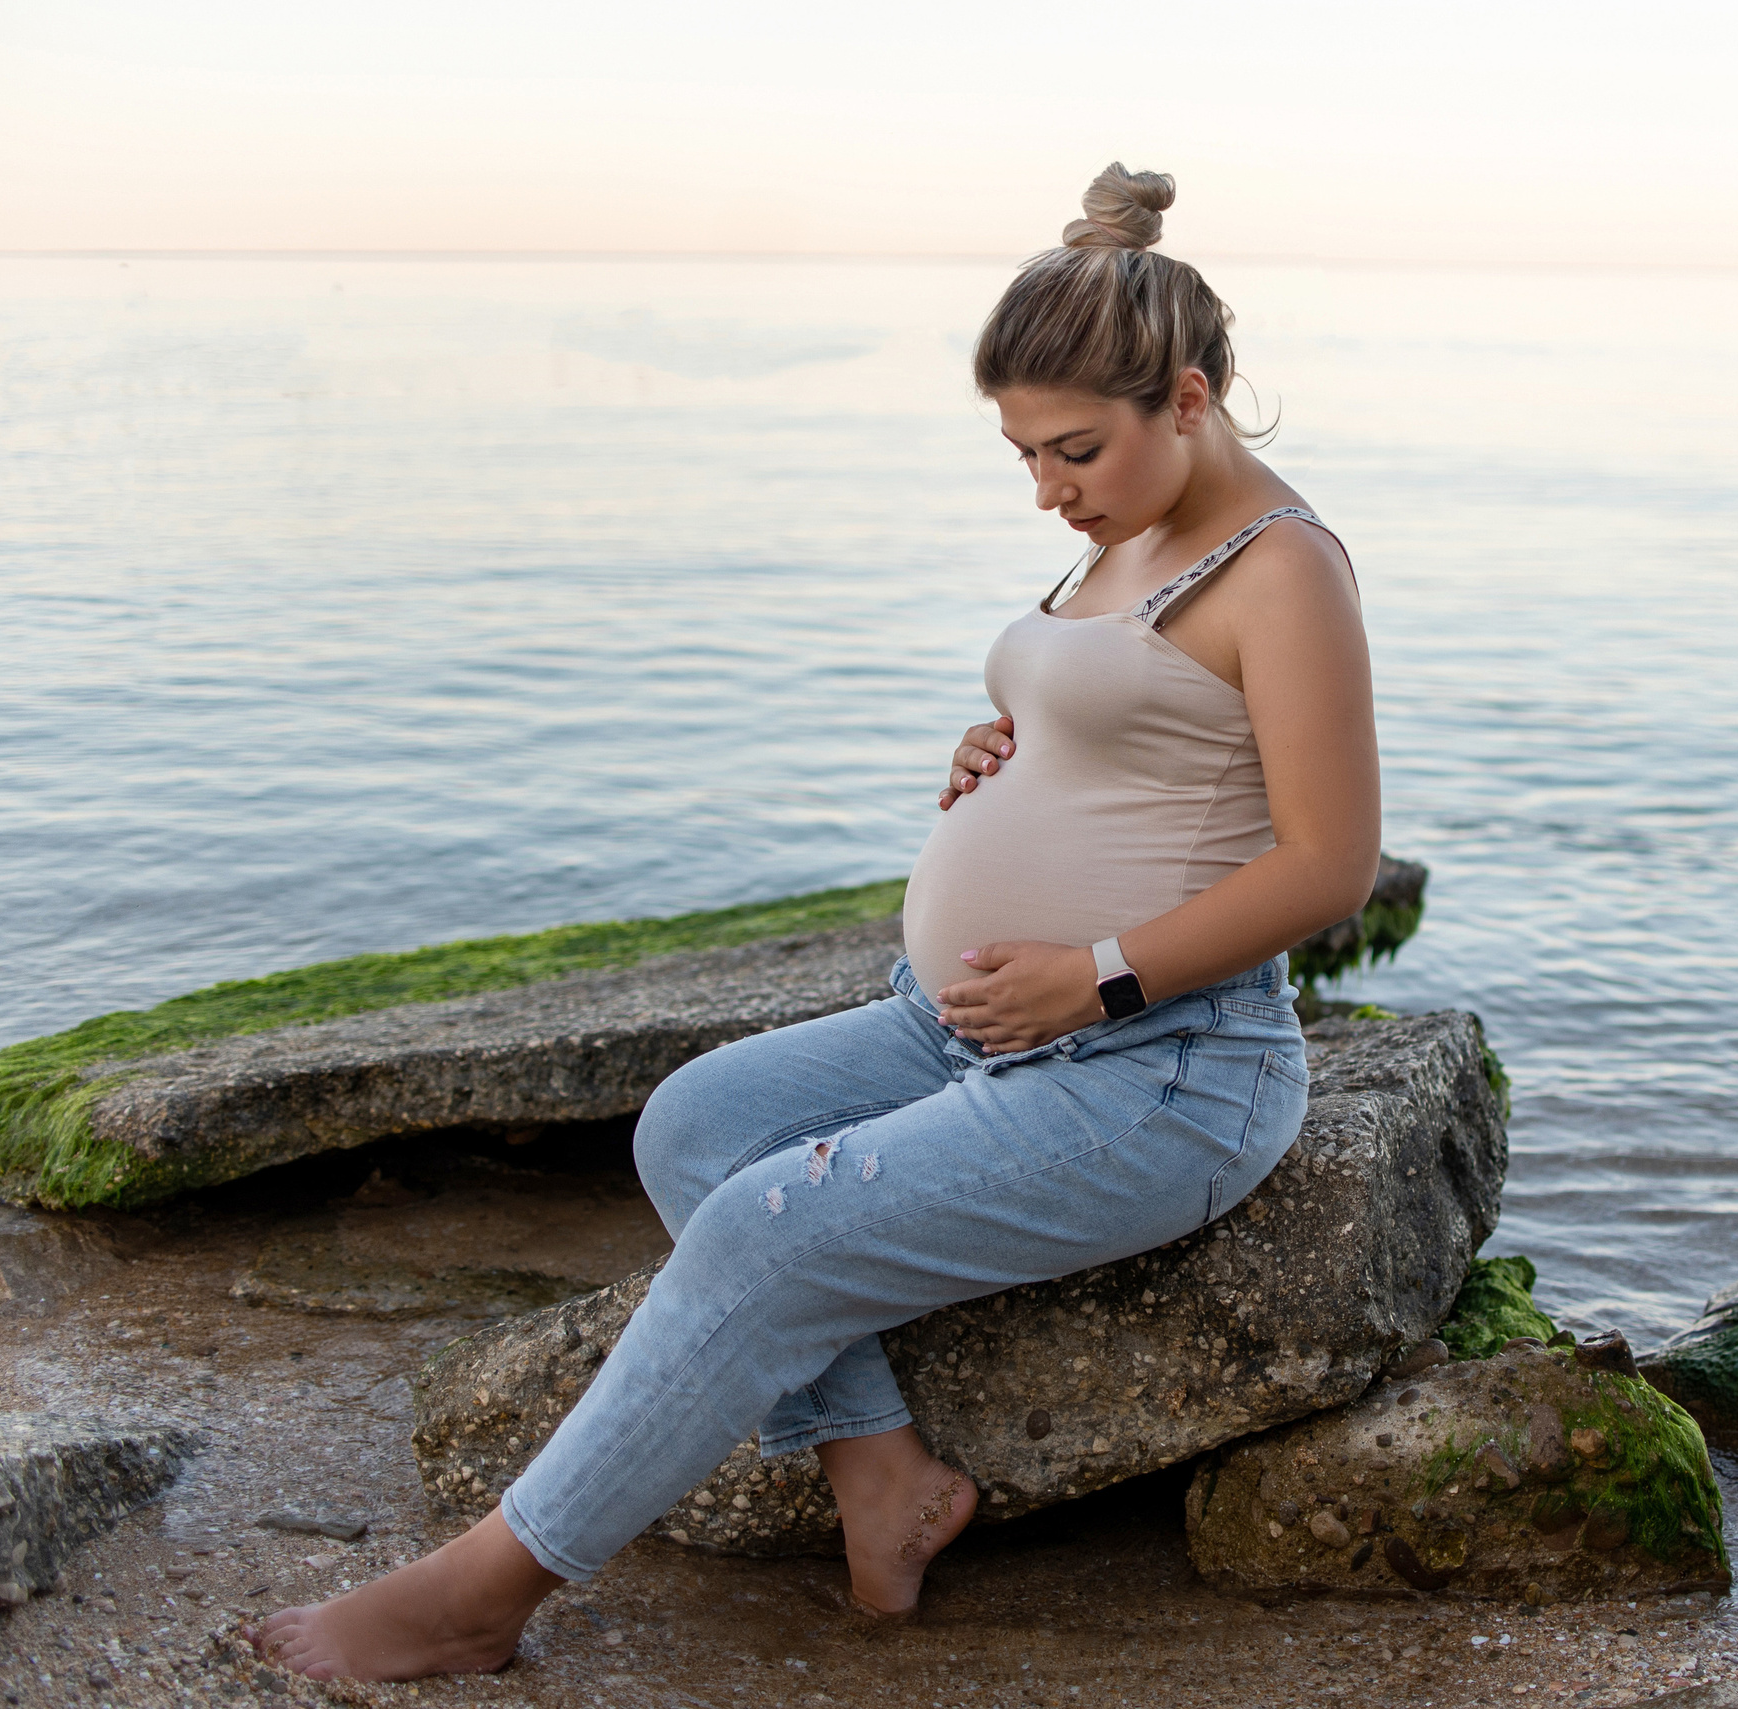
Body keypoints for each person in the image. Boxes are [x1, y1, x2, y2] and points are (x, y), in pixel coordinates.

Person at [248, 162, 1380, 1681]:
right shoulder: (1126, 529)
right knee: (693, 1126)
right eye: (1023, 453)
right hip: (968, 1021)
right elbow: (1131, 714)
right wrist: (1010, 740)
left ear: (1186, 396)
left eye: (1073, 449)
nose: (1046, 485)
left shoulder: (1286, 568)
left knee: (772, 1232)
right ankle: (883, 1474)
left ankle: (481, 1589)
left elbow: (1329, 865)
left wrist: (1095, 978)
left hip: (1161, 1065)